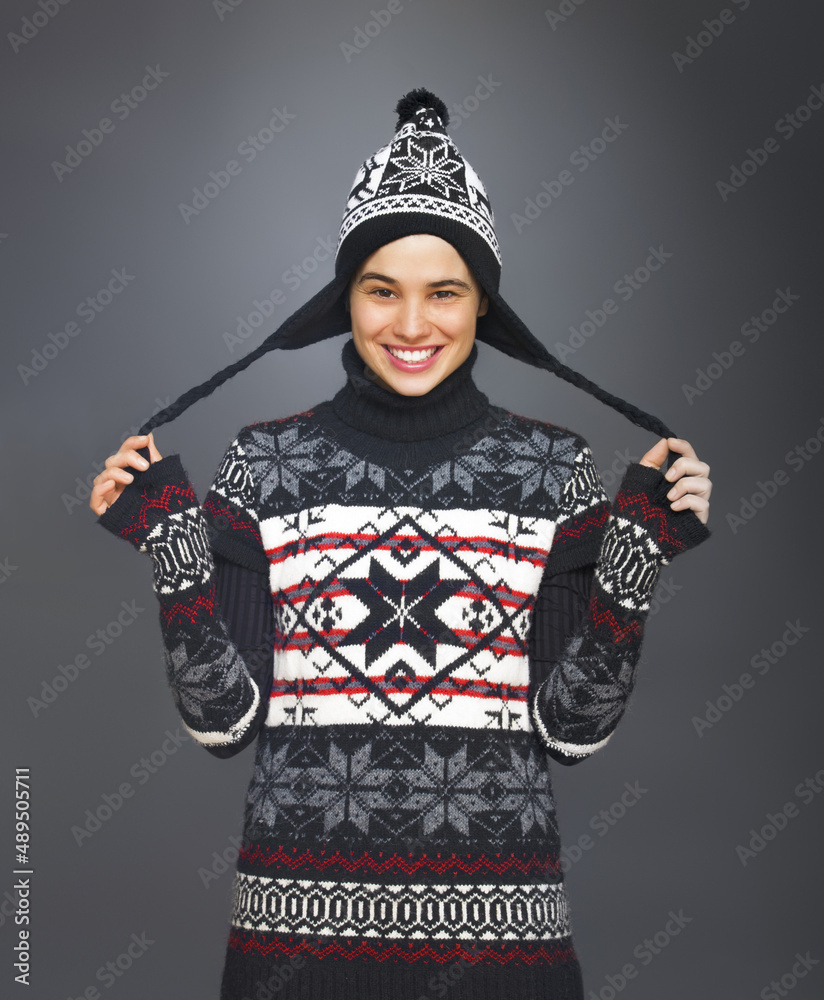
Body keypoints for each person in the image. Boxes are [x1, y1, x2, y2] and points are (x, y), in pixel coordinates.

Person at [89, 90, 711, 1000]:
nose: (412, 326)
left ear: (484, 304)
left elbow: (572, 732)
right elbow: (223, 723)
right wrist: (171, 548)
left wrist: (636, 560)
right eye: (381, 290)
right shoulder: (266, 464)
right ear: (345, 298)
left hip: (503, 950)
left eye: (445, 293)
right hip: (293, 948)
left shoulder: (554, 470)